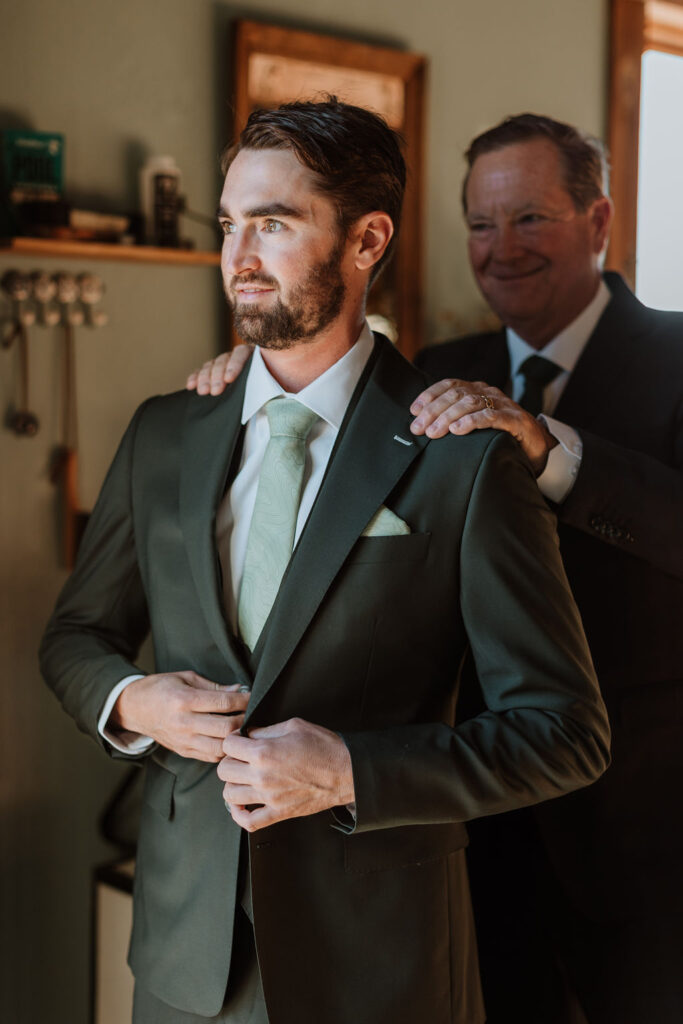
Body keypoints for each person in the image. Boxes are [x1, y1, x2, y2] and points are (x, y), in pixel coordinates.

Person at [41, 101, 610, 1024]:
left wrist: (349, 769)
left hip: (381, 971)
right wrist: (130, 701)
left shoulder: (462, 453)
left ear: (366, 239)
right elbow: (75, 636)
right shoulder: (164, 434)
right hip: (187, 967)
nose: (238, 255)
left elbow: (564, 733)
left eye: (273, 222)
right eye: (229, 224)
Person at [190, 112, 683, 1024]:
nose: (499, 249)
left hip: (639, 828)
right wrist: (251, 377)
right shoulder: (433, 369)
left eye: (528, 219)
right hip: (463, 817)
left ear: (599, 220)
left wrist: (546, 448)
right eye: (480, 224)